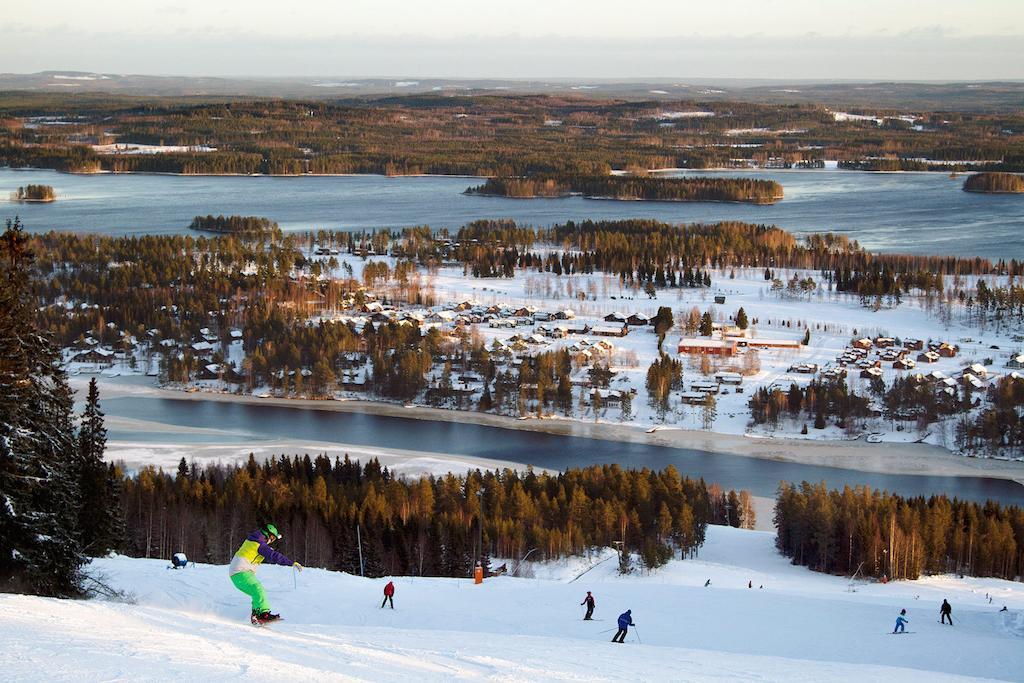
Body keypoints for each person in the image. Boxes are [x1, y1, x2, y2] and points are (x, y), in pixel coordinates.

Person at [229, 523, 302, 625]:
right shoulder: (259, 544)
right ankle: (263, 615)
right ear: (267, 535)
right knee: (258, 589)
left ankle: (256, 615)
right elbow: (274, 556)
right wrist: (291, 563)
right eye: (272, 538)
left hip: (240, 571)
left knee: (256, 592)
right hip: (240, 571)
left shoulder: (255, 540)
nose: (272, 540)